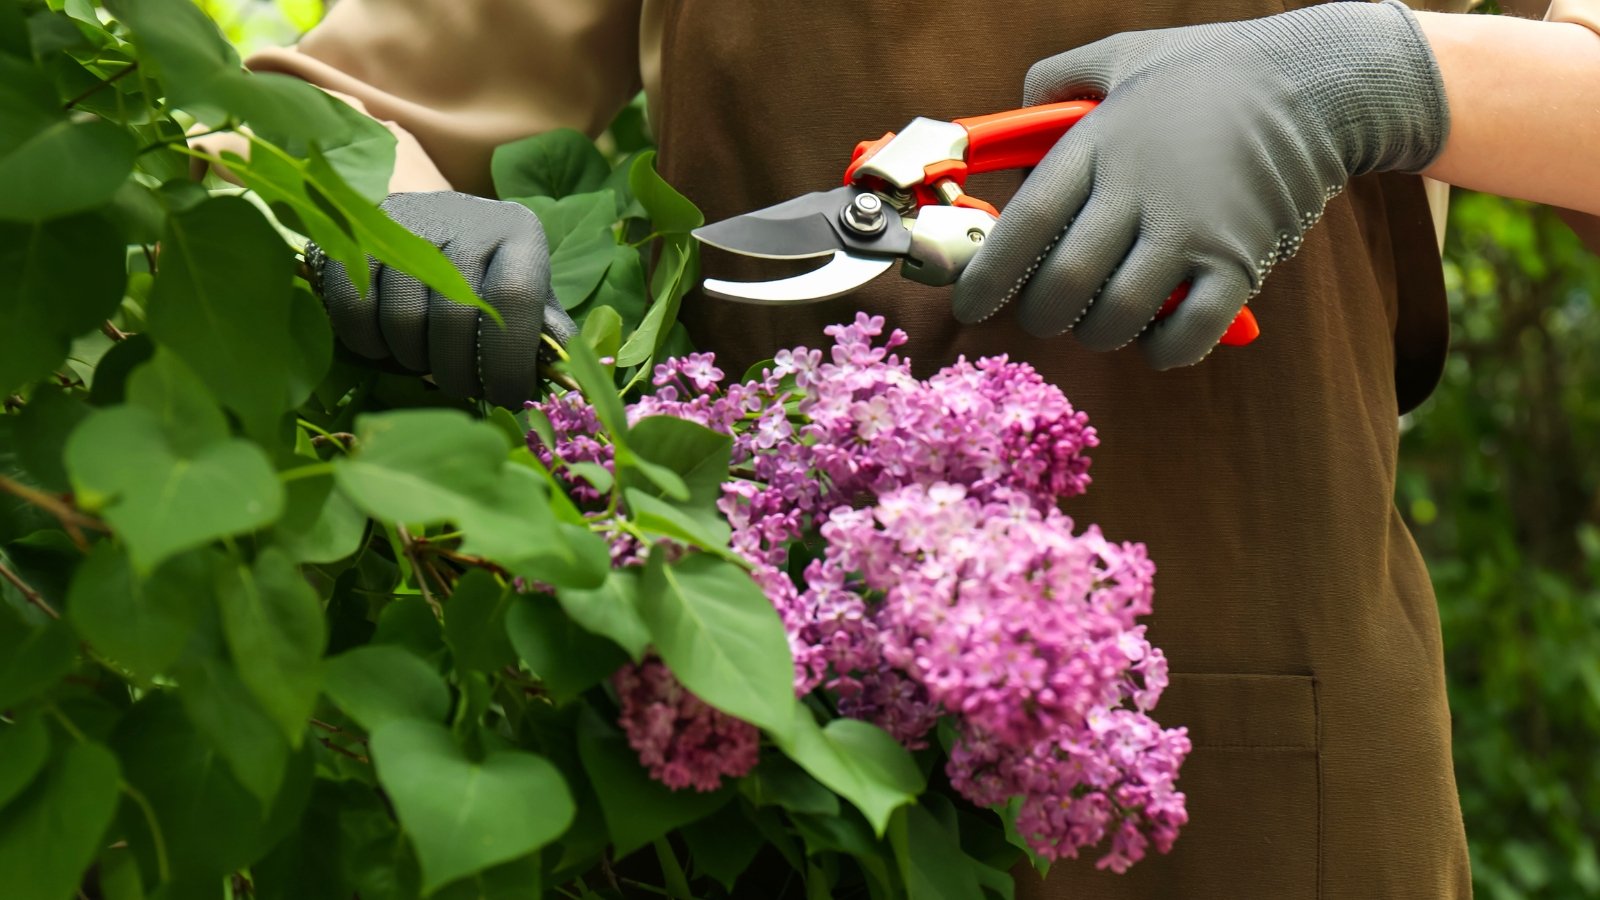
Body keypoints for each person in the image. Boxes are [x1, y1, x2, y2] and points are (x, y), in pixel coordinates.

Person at [216, 1, 1600, 896]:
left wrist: (1379, 79)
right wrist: (377, 199)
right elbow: (293, 117)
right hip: (786, 772)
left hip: (1282, 797)